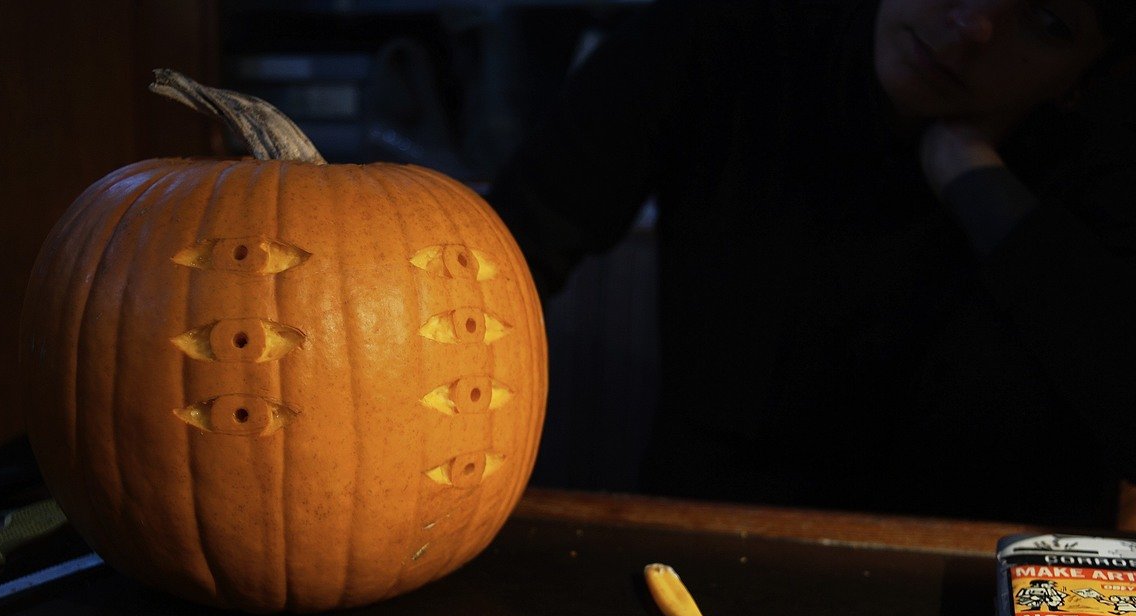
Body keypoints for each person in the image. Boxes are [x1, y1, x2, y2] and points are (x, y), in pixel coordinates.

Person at [485, 0, 1136, 527]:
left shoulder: (1107, 154)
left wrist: (984, 192)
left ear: (1086, 75)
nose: (972, 27)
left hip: (994, 595)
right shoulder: (734, 29)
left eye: (1047, 22)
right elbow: (503, 253)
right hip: (706, 552)